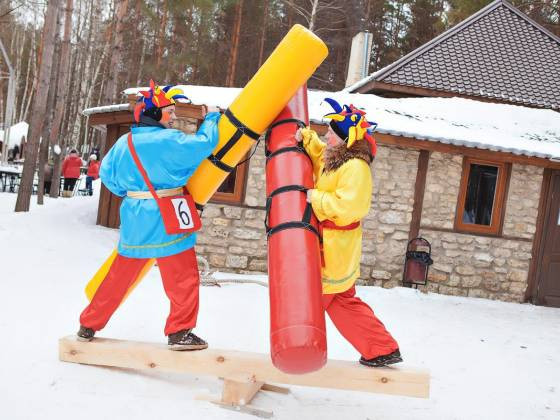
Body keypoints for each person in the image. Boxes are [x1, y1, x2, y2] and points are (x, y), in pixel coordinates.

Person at [77, 80, 220, 351]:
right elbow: (204, 144)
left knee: (118, 277)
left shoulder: (123, 143)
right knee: (183, 278)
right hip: (168, 217)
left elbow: (108, 176)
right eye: (170, 112)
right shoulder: (171, 140)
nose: (174, 117)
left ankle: (88, 324)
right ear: (155, 114)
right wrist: (211, 117)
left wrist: (132, 192)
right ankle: (180, 332)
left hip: (134, 218)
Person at [296, 98, 402, 368]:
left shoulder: (356, 167)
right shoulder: (338, 158)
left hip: (336, 247)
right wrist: (306, 137)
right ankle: (382, 348)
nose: (326, 135)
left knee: (308, 303)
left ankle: (296, 349)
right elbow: (320, 154)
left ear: (345, 139)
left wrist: (315, 198)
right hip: (329, 244)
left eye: (331, 132)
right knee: (343, 302)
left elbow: (349, 207)